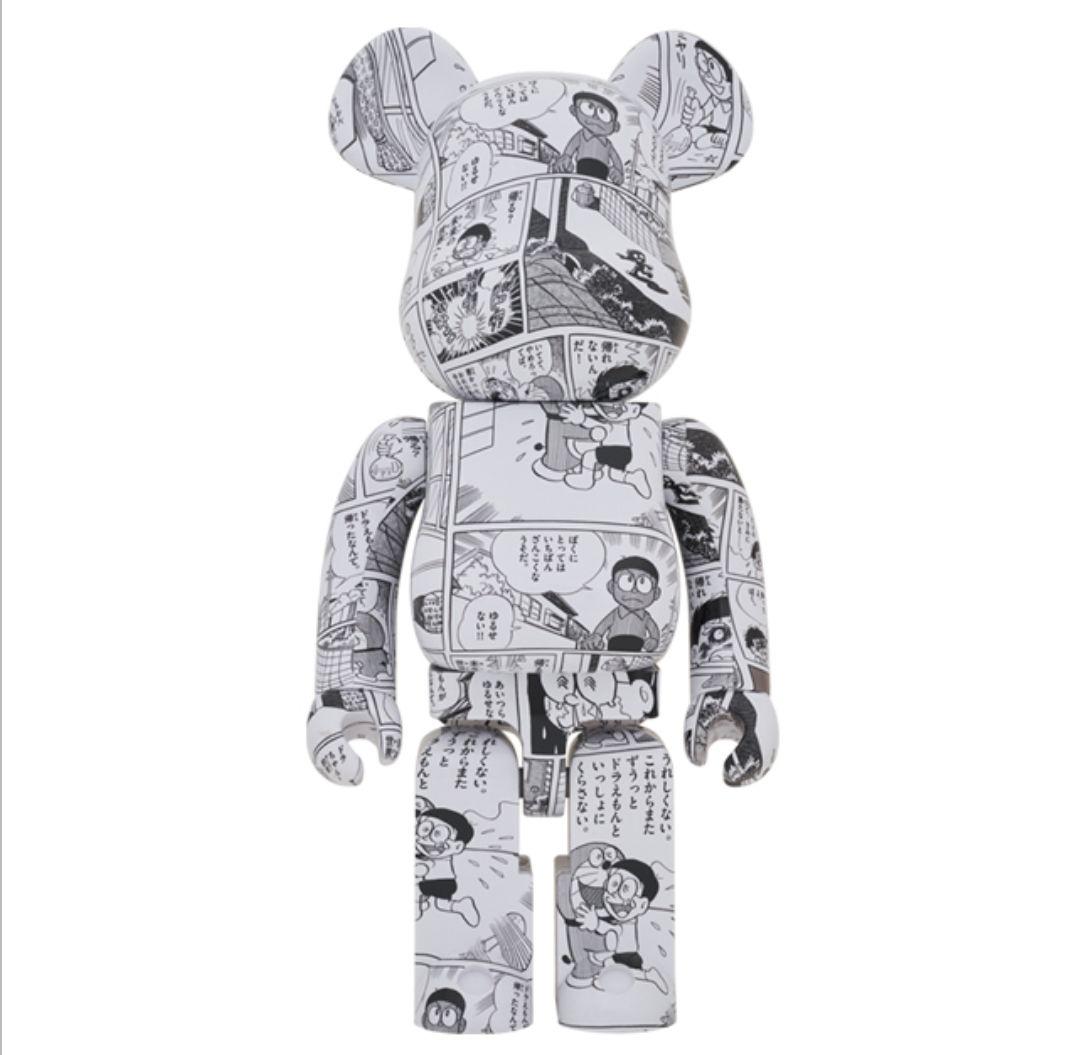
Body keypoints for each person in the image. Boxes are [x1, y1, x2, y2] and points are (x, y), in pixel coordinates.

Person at [585, 557, 661, 653]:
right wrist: (596, 636)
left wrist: (653, 641)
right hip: (614, 643)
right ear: (611, 586)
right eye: (626, 582)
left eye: (643, 584)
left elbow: (654, 632)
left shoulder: (646, 617)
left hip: (636, 646)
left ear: (656, 593)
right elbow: (603, 626)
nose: (634, 590)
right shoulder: (614, 614)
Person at [551, 92, 625, 184]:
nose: (595, 117)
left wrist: (618, 172)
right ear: (574, 110)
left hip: (602, 173)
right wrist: (565, 159)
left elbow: (616, 159)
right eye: (589, 108)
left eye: (603, 113)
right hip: (583, 168)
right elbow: (569, 150)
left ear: (615, 126)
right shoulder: (580, 135)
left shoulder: (608, 145)